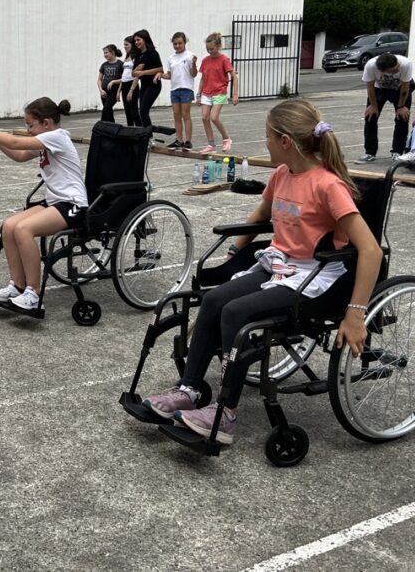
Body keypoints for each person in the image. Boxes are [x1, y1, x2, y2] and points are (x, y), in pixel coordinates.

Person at [139, 99, 382, 445]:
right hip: (278, 264)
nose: (263, 143)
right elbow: (259, 217)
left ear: (286, 142)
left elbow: (370, 250)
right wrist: (234, 252)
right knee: (214, 301)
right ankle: (190, 390)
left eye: (267, 136)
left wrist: (356, 314)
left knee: (236, 312)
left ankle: (225, 415)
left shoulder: (328, 186)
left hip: (314, 274)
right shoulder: (283, 174)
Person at [0, 97, 86, 312]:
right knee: (9, 226)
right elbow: (18, 154)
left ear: (46, 123)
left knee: (23, 229)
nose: (28, 130)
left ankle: (33, 294)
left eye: (30, 125)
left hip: (73, 204)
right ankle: (16, 286)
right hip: (55, 201)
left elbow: (16, 142)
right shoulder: (46, 139)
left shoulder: (57, 137)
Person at [356, 53, 415, 164]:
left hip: (400, 88)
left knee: (402, 118)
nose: (397, 69)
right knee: (370, 117)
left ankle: (397, 151)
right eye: (393, 70)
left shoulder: (405, 64)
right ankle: (370, 152)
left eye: (397, 67)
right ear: (383, 71)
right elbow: (370, 87)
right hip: (379, 89)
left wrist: (401, 106)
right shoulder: (371, 66)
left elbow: (405, 88)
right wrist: (373, 105)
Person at [196, 32, 238, 153]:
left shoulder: (224, 60)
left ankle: (226, 138)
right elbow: (203, 78)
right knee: (204, 118)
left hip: (220, 92)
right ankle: (211, 145)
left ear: (218, 46)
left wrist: (235, 94)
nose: (210, 51)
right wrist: (199, 95)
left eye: (212, 49)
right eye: (207, 49)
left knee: (214, 117)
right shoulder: (205, 60)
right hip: (206, 92)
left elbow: (234, 76)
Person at [156, 32, 197, 150]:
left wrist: (194, 64)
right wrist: (160, 74)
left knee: (186, 115)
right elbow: (169, 75)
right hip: (174, 89)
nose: (177, 46)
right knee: (176, 116)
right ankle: (178, 140)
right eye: (175, 44)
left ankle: (188, 141)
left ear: (185, 42)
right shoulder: (171, 58)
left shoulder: (190, 56)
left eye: (180, 43)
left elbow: (193, 74)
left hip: (186, 88)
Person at [131, 29, 163, 128]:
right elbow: (134, 74)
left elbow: (160, 69)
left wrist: (142, 72)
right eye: (135, 41)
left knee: (144, 111)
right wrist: (137, 70)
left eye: (138, 40)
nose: (136, 42)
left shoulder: (152, 53)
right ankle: (147, 134)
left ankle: (149, 137)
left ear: (145, 40)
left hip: (154, 85)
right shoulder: (138, 56)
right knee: (142, 111)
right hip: (144, 85)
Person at [115, 35, 141, 126]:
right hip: (124, 85)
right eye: (124, 45)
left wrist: (131, 90)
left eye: (126, 45)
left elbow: (137, 76)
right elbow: (123, 76)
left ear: (132, 45)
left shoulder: (136, 58)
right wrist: (119, 91)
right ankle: (130, 132)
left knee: (134, 111)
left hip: (132, 85)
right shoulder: (126, 58)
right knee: (127, 112)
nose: (124, 47)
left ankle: (139, 131)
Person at [97, 44, 124, 123]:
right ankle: (112, 127)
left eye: (106, 53)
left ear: (112, 52)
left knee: (106, 108)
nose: (105, 55)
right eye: (104, 53)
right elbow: (99, 79)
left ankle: (102, 125)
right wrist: (101, 90)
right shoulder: (104, 65)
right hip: (104, 92)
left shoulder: (120, 64)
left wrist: (114, 84)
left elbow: (124, 79)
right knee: (108, 110)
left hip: (114, 92)